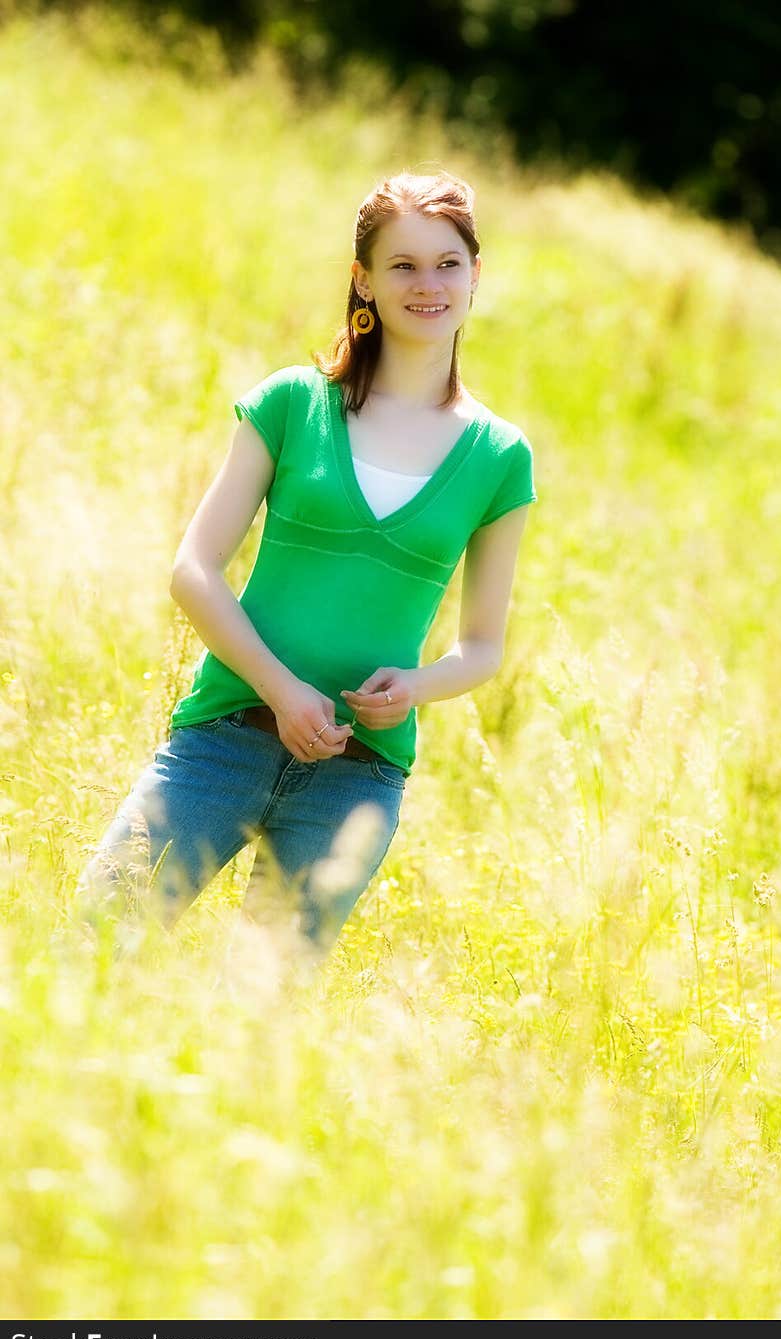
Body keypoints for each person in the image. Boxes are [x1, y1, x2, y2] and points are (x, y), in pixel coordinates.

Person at [74, 169, 538, 959]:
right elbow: (193, 567)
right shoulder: (293, 403)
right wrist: (281, 691)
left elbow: (484, 647)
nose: (428, 285)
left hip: (356, 779)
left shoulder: (499, 457)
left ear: (476, 275)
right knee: (95, 942)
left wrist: (416, 689)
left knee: (261, 1021)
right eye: (403, 265)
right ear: (363, 279)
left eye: (447, 263)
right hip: (225, 738)